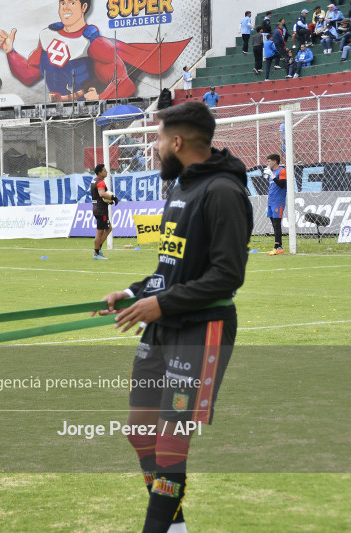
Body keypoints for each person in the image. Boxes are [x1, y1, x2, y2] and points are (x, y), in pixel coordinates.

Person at [96, 101, 253, 533]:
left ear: (178, 141)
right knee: (140, 433)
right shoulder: (181, 187)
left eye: (160, 139)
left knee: (170, 448)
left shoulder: (222, 191)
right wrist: (132, 293)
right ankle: (177, 527)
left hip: (201, 331)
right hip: (162, 328)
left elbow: (227, 276)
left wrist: (159, 305)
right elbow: (170, 269)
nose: (156, 146)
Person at [0, 0, 187, 101]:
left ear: (84, 6)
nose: (66, 8)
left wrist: (100, 98)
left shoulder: (95, 43)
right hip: (54, 110)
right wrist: (11, 52)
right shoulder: (47, 35)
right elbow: (29, 74)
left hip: (86, 110)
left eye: (72, 2)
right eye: (62, 3)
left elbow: (125, 83)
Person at [90, 163, 118, 260]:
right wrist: (113, 198)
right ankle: (96, 253)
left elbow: (98, 196)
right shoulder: (101, 182)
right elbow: (101, 194)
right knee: (100, 232)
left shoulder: (94, 181)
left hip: (96, 208)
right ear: (100, 172)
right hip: (101, 210)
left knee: (109, 228)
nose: (106, 172)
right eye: (104, 170)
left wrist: (108, 200)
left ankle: (98, 249)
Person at [265, 154, 287, 255]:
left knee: (277, 224)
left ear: (274, 162)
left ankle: (276, 247)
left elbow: (282, 185)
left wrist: (273, 176)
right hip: (271, 201)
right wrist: (269, 175)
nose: (267, 163)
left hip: (278, 201)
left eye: (269, 161)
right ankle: (279, 247)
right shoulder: (272, 172)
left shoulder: (282, 171)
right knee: (274, 224)